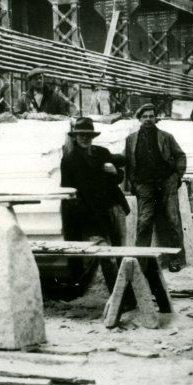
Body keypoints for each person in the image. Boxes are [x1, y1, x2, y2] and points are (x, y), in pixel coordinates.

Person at [60, 117, 130, 289]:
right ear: (75, 137)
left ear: (93, 136)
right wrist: (84, 215)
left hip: (113, 207)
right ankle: (119, 294)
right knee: (106, 256)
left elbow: (119, 176)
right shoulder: (69, 160)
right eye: (81, 135)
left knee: (122, 251)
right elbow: (69, 191)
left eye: (88, 135)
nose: (85, 138)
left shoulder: (101, 152)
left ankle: (127, 293)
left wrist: (115, 172)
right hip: (91, 214)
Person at [125, 103, 188, 272]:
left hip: (166, 182)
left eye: (151, 116)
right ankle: (141, 263)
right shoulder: (131, 139)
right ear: (139, 119)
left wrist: (177, 176)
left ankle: (175, 259)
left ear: (155, 118)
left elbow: (180, 156)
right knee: (144, 221)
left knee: (172, 219)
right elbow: (128, 163)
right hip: (144, 184)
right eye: (144, 117)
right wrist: (134, 183)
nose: (148, 120)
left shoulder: (166, 137)